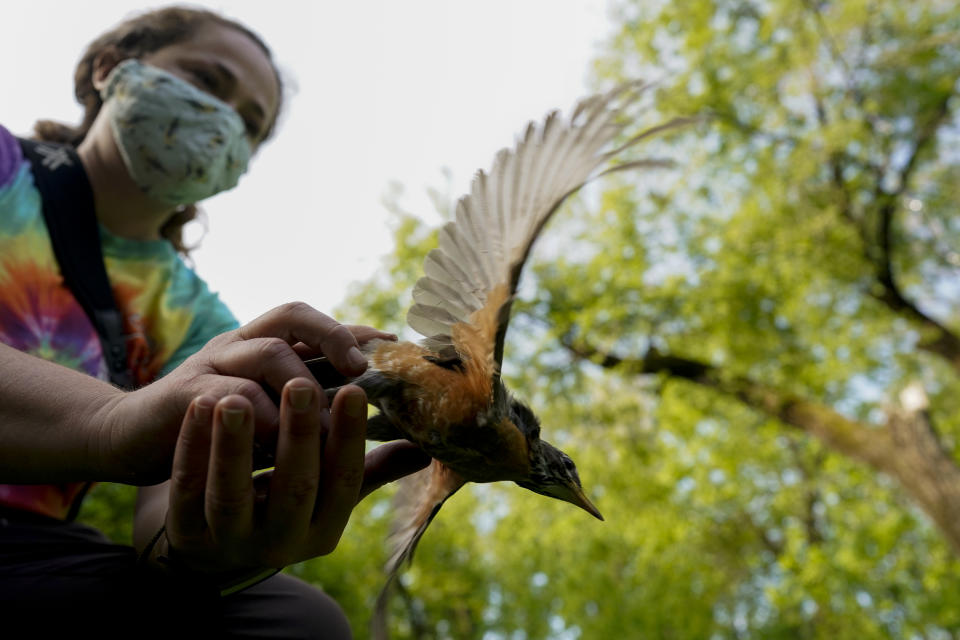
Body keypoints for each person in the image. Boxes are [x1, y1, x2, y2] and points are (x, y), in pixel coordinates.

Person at [0, 6, 428, 636]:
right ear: (110, 69)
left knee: (297, 619)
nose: (223, 118)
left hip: (26, 555)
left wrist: (215, 539)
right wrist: (113, 421)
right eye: (206, 79)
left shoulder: (204, 325)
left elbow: (161, 531)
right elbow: (124, 429)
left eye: (249, 124)